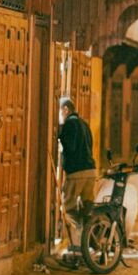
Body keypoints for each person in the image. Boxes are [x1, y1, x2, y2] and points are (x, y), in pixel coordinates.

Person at [58, 98, 96, 255]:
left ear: (66, 109)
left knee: (68, 208)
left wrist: (60, 137)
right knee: (87, 208)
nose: (60, 115)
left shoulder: (70, 124)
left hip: (76, 173)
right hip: (90, 171)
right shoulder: (84, 124)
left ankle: (76, 244)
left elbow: (70, 147)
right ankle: (89, 242)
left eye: (60, 111)